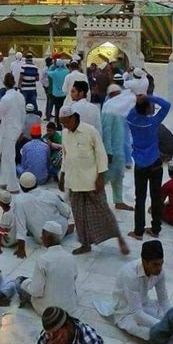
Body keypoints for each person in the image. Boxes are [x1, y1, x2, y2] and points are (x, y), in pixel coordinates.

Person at [59, 107, 129, 256]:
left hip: (91, 181)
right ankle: (85, 244)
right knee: (79, 215)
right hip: (74, 182)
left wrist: (101, 177)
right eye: (62, 123)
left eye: (65, 122)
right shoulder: (65, 133)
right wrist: (62, 174)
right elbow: (66, 156)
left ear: (73, 118)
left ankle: (119, 239)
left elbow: (101, 154)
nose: (64, 126)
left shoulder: (90, 131)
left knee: (103, 210)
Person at [94, 240, 170, 341]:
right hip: (126, 312)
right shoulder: (130, 275)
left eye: (161, 264)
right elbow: (137, 314)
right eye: (155, 264)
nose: (159, 268)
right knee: (155, 334)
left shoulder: (159, 272)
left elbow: (163, 300)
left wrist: (172, 319)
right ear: (144, 262)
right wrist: (163, 326)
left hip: (144, 305)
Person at [126, 94, 171, 240]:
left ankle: (138, 231)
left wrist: (139, 101)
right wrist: (150, 97)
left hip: (140, 164)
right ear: (147, 108)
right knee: (156, 196)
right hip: (155, 162)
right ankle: (156, 228)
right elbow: (167, 105)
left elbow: (132, 111)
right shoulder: (153, 122)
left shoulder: (131, 120)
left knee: (140, 197)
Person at [17, 220, 78, 316]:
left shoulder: (43, 260)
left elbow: (36, 291)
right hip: (69, 307)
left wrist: (25, 284)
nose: (41, 237)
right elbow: (74, 278)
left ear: (48, 237)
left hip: (49, 310)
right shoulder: (70, 257)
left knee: (19, 281)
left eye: (43, 235)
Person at [0, 72, 26, 193]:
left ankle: (13, 186)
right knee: (5, 157)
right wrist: (22, 129)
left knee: (9, 157)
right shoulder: (20, 96)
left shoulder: (6, 99)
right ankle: (4, 181)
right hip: (16, 129)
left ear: (4, 84)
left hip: (9, 131)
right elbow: (24, 114)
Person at [13, 172, 72, 259]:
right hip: (60, 231)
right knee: (64, 217)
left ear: (21, 186)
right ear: (36, 183)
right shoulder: (49, 194)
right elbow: (66, 212)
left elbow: (20, 224)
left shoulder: (19, 200)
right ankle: (66, 231)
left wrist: (21, 248)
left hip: (41, 237)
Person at [101, 84, 133, 211]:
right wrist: (108, 152)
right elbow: (106, 131)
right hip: (112, 151)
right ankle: (98, 202)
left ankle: (118, 201)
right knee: (105, 178)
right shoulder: (109, 110)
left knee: (119, 176)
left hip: (120, 150)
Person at [34, 306, 105, 344]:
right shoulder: (48, 336)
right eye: (49, 333)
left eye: (56, 332)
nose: (53, 336)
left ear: (67, 326)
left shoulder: (87, 335)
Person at [48, 59, 69, 129]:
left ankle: (58, 125)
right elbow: (68, 70)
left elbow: (48, 72)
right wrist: (64, 66)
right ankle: (65, 123)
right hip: (63, 94)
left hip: (56, 95)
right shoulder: (66, 72)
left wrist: (52, 66)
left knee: (57, 110)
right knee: (64, 109)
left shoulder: (54, 73)